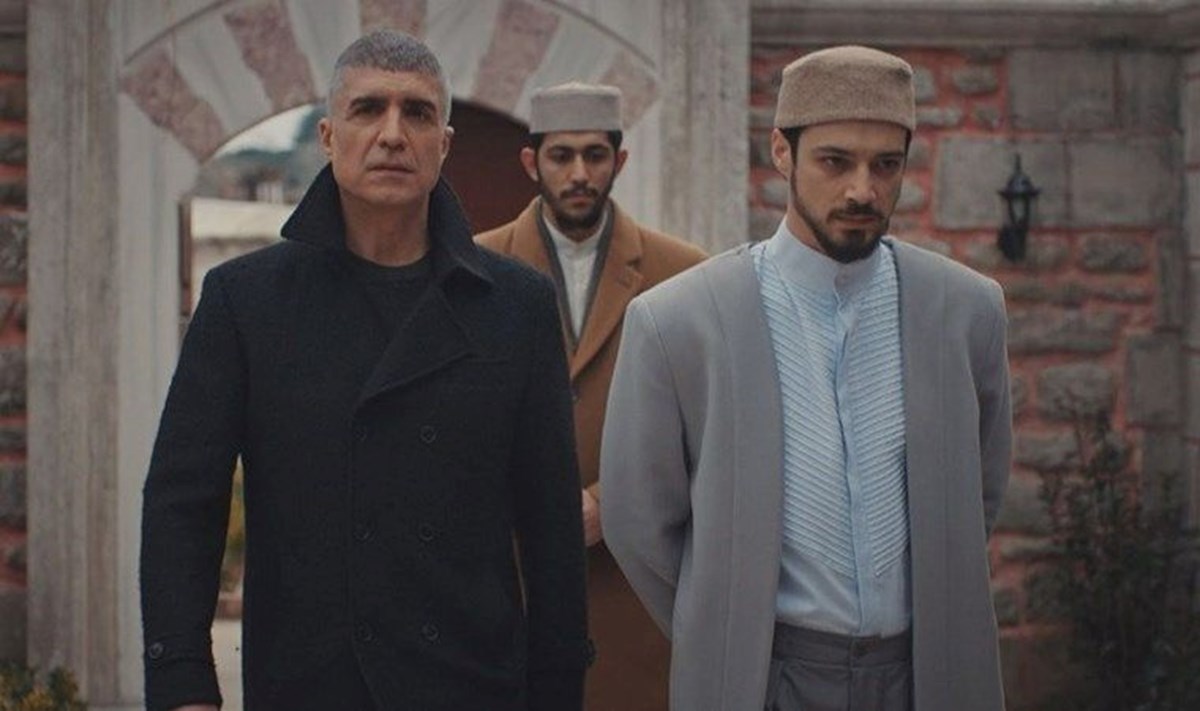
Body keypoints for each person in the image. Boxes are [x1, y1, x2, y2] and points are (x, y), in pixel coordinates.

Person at [140, 30, 590, 711]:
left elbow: (551, 525)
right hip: (308, 683)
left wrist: (558, 692)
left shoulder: (516, 306)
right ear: (328, 136)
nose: (392, 134)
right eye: (368, 109)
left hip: (471, 683)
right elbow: (184, 502)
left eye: (417, 113)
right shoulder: (245, 301)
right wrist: (182, 685)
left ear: (443, 144)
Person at [600, 46, 1011, 711]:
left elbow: (978, 492)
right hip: (765, 680)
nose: (862, 190)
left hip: (925, 677)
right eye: (835, 161)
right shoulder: (678, 321)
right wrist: (724, 626)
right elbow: (637, 518)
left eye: (886, 165)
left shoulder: (966, 310)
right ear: (781, 153)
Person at [476, 82, 706, 710]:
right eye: (561, 155)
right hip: (511, 587)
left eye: (595, 155)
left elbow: (707, 426)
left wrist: (611, 502)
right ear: (532, 162)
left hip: (634, 594)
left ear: (619, 160)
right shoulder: (473, 268)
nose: (579, 173)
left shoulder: (684, 272)